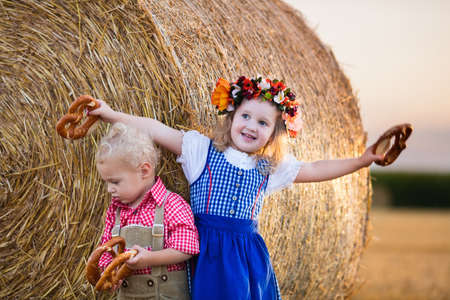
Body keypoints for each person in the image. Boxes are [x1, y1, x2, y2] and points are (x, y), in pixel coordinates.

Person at [90, 75, 383, 300]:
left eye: (263, 122)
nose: (251, 126)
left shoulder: (269, 169)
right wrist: (110, 114)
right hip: (205, 253)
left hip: (245, 260)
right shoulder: (201, 151)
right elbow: (155, 129)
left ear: (275, 133)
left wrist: (361, 160)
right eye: (245, 116)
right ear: (231, 117)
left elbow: (317, 169)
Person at [95, 122, 199, 300]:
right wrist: (109, 272)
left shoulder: (171, 204)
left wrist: (149, 259)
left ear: (144, 170)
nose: (109, 189)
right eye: (106, 182)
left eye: (115, 182)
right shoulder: (115, 212)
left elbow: (186, 248)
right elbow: (106, 249)